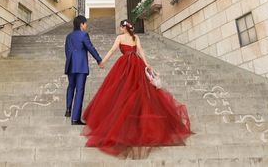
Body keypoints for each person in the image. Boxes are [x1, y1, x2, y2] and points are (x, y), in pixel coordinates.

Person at [82, 19, 192, 157]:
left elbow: (112, 50)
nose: (120, 29)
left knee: (122, 91)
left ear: (124, 28)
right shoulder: (135, 37)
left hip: (124, 64)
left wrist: (102, 62)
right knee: (140, 91)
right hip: (137, 63)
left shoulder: (120, 38)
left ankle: (127, 123)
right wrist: (146, 63)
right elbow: (140, 51)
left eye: (121, 27)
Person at [64, 15, 103, 125]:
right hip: (81, 66)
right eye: (85, 23)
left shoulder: (69, 36)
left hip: (70, 65)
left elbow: (66, 51)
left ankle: (68, 109)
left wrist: (71, 61)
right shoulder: (84, 35)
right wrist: (99, 60)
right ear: (81, 24)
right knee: (79, 91)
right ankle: (75, 119)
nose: (86, 25)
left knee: (71, 86)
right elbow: (90, 48)